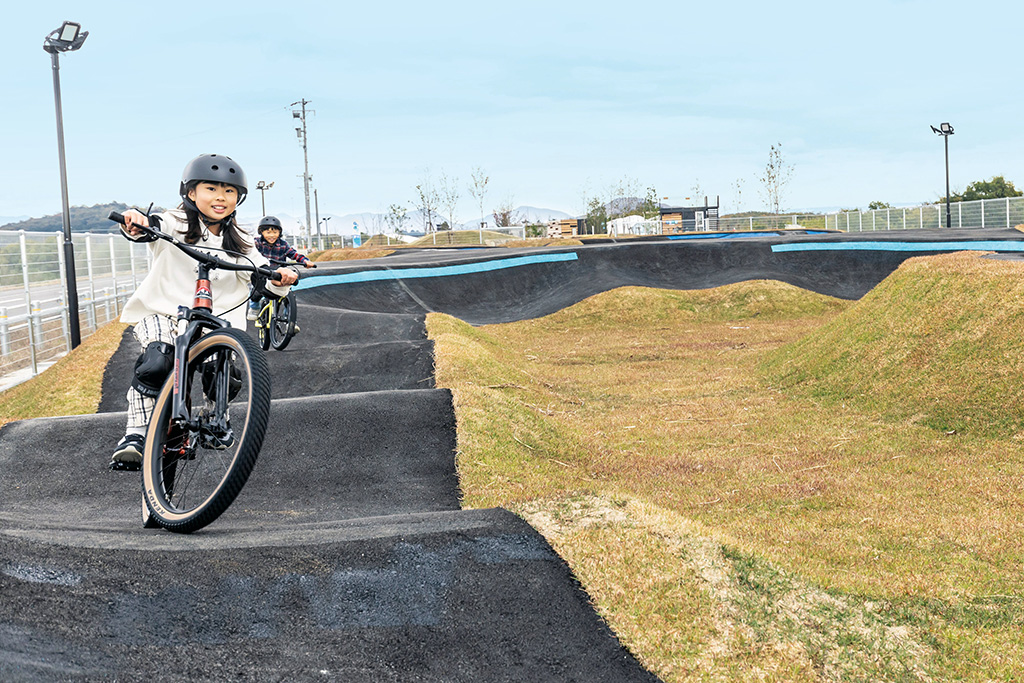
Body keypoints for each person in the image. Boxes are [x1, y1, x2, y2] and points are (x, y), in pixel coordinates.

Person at [110, 153, 299, 471]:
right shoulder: (174, 223)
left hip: (218, 323)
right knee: (156, 362)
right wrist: (137, 221)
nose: (221, 198)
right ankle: (136, 436)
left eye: (229, 191)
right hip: (164, 313)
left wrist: (283, 279)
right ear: (191, 193)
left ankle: (216, 420)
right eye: (211, 189)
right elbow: (146, 228)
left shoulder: (241, 243)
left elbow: (264, 273)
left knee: (221, 370)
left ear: (239, 198)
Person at [247, 215, 316, 320]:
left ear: (279, 233)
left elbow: (294, 254)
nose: (272, 235)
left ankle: (289, 317)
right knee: (256, 290)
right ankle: (254, 307)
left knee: (288, 290)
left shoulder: (283, 245)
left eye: (275, 232)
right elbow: (248, 250)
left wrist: (305, 261)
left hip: (279, 273)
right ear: (261, 232)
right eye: (268, 232)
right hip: (263, 271)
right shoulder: (257, 243)